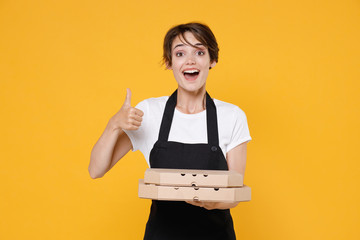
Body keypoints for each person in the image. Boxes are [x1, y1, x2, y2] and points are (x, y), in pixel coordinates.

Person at [89, 22, 252, 240]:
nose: (190, 60)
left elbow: (235, 192)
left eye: (200, 52)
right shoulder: (149, 112)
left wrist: (209, 202)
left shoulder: (232, 116)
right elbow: (95, 170)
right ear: (169, 62)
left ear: (212, 60)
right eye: (180, 53)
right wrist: (113, 124)